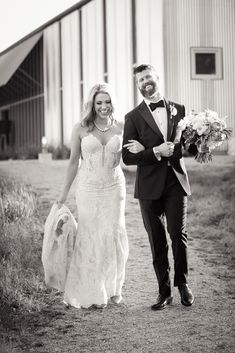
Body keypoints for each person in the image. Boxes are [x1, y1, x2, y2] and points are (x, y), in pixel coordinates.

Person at [122, 64, 195, 310]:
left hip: (175, 181)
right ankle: (163, 291)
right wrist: (154, 151)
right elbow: (128, 158)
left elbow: (188, 147)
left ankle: (182, 284)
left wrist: (204, 141)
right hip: (149, 187)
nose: (145, 81)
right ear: (138, 85)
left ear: (157, 78)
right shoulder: (132, 117)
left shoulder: (180, 109)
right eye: (140, 79)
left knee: (178, 235)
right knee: (157, 240)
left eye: (148, 76)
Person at [57, 83, 130, 309]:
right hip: (88, 189)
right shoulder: (80, 128)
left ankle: (114, 288)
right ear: (92, 104)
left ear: (112, 103)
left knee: (113, 234)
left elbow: (132, 157)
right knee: (90, 234)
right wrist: (62, 196)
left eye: (107, 102)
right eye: (99, 102)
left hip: (114, 187)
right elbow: (72, 163)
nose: (104, 106)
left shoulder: (122, 126)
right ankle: (92, 288)